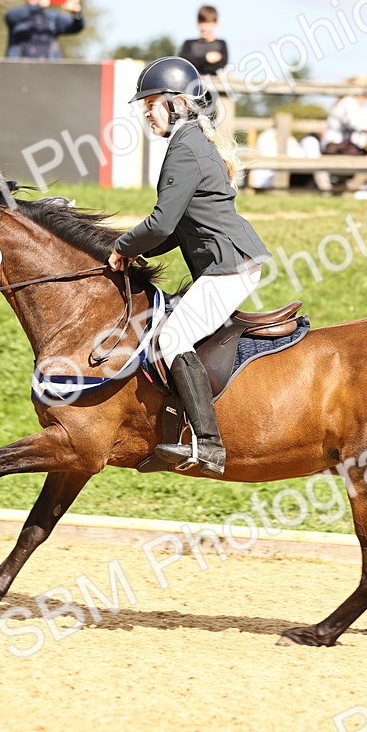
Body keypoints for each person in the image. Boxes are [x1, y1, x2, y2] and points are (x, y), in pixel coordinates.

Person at [108, 57, 271, 477]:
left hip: (228, 265)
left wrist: (122, 245)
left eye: (152, 102)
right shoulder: (191, 142)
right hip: (230, 261)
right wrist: (133, 252)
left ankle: (210, 446)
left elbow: (161, 222)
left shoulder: (185, 146)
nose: (146, 111)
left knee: (173, 337)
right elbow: (175, 229)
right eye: (143, 104)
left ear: (179, 103)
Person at [4, 0, 84, 60]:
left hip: (48, 70)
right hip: (19, 70)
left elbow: (75, 27)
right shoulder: (16, 14)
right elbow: (11, 16)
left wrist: (76, 12)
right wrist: (39, 6)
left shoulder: (52, 17)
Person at [321, 75, 367, 156]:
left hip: (343, 148)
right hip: (337, 148)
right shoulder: (348, 102)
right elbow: (356, 124)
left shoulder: (357, 107)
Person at [177, 5, 228, 76]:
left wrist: (197, 63)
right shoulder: (189, 43)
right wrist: (206, 59)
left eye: (208, 23)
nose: (204, 27)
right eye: (202, 22)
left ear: (215, 24)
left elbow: (222, 64)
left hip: (213, 83)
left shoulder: (221, 44)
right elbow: (184, 62)